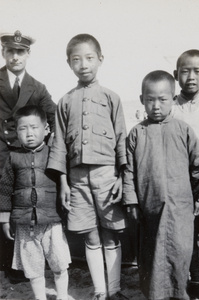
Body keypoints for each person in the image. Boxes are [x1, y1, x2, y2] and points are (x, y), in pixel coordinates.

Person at [47, 34, 128, 300]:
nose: (84, 64)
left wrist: (120, 177)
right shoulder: (65, 102)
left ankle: (114, 289)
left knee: (110, 233)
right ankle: (100, 291)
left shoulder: (111, 98)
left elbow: (121, 140)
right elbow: (59, 144)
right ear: (69, 64)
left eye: (89, 58)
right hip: (77, 179)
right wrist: (63, 183)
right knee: (90, 236)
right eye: (76, 60)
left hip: (108, 176)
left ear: (100, 59)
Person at [123, 70, 199, 300]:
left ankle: (179, 293)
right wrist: (131, 201)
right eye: (150, 100)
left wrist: (198, 194)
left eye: (163, 100)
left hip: (180, 207)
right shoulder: (136, 134)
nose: (156, 106)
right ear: (142, 100)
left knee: (179, 252)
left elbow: (198, 165)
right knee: (151, 254)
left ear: (173, 99)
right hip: (148, 207)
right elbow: (129, 171)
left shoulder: (183, 130)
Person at [0, 30, 57, 283]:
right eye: (10, 51)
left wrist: (49, 147)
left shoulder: (37, 87)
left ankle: (17, 269)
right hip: (0, 152)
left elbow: (54, 118)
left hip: (22, 157)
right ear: (3, 52)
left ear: (28, 54)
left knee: (19, 208)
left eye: (20, 51)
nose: (15, 56)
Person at [0, 106, 71, 300]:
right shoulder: (13, 157)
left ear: (46, 129)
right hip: (24, 225)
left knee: (59, 263)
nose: (29, 133)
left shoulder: (53, 155)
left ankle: (62, 296)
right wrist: (5, 218)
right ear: (16, 132)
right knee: (33, 267)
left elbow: (65, 181)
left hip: (52, 221)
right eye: (23, 129)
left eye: (34, 127)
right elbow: (5, 189)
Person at [172, 49, 199, 298]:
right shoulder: (170, 106)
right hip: (180, 176)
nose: (191, 77)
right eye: (185, 71)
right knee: (185, 231)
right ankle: (192, 277)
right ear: (176, 75)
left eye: (197, 71)